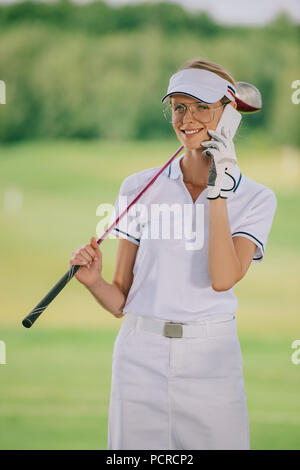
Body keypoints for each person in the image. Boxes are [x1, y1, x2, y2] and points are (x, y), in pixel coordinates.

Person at [69, 58, 277, 450]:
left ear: (230, 115)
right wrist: (94, 281)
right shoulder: (137, 187)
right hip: (138, 357)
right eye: (179, 107)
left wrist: (218, 191)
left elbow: (222, 278)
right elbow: (121, 302)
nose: (187, 118)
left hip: (212, 360)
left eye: (202, 106)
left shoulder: (256, 198)